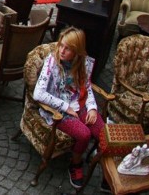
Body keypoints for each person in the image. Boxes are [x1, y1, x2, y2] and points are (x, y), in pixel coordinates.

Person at [33, 27, 104, 189]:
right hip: (58, 110)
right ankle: (75, 163)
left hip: (80, 102)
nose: (61, 51)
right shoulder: (52, 62)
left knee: (102, 132)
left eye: (68, 48)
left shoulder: (82, 62)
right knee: (84, 135)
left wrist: (92, 107)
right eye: (61, 45)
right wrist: (65, 107)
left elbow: (87, 86)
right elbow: (38, 94)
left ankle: (107, 172)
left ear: (77, 52)